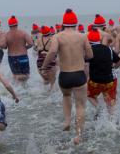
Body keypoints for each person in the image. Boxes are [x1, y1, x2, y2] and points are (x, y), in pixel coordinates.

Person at [40, 9, 93, 144]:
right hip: (79, 74)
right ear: (76, 23)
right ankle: (78, 136)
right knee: (80, 105)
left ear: (64, 23)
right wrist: (80, 56)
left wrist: (44, 67)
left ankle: (67, 121)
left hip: (64, 75)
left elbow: (52, 52)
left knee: (66, 96)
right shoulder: (82, 36)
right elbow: (90, 55)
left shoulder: (58, 36)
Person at [85, 29, 120, 114]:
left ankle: (99, 108)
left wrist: (86, 79)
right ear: (99, 40)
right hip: (109, 81)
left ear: (89, 41)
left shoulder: (88, 51)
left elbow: (86, 66)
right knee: (110, 103)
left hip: (95, 81)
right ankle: (112, 121)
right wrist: (114, 67)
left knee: (89, 95)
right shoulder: (109, 49)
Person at [3, 16, 33, 83]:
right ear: (17, 24)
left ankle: (17, 90)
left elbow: (4, 46)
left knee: (15, 75)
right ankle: (25, 89)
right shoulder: (23, 33)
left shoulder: (6, 35)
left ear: (9, 25)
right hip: (23, 56)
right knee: (26, 75)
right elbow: (31, 43)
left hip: (12, 57)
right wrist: (25, 48)